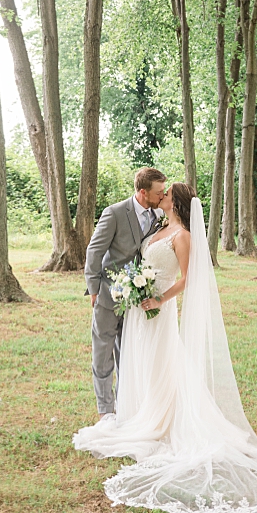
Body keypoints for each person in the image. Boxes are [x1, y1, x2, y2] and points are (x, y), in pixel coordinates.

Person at [72, 182, 257, 513]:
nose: (160, 197)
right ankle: (136, 413)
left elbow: (188, 278)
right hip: (139, 308)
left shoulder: (183, 236)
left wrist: (158, 298)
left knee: (160, 362)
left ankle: (160, 420)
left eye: (165, 194)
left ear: (175, 202)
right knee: (143, 363)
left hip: (157, 309)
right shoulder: (159, 226)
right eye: (158, 192)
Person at [83, 168, 168, 420]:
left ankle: (125, 406)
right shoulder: (115, 213)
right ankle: (106, 411)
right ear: (143, 192)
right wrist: (94, 289)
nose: (162, 196)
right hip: (109, 295)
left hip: (138, 299)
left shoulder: (160, 214)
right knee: (103, 354)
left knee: (128, 356)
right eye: (158, 192)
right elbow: (94, 252)